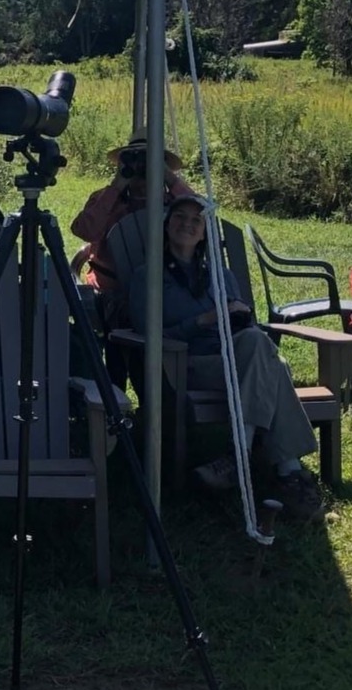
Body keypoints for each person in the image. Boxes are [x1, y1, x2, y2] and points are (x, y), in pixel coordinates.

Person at [130, 195, 324, 519]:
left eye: (196, 220)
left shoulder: (221, 275)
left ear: (205, 233)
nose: (187, 225)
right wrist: (203, 320)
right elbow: (149, 336)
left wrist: (239, 315)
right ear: (166, 225)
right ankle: (289, 473)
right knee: (270, 362)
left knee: (256, 345)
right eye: (180, 217)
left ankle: (238, 459)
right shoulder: (146, 277)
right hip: (185, 363)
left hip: (234, 360)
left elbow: (243, 325)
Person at [71, 135, 197, 325]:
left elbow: (203, 215)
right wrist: (118, 184)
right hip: (111, 292)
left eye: (148, 161)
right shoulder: (106, 200)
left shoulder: (175, 204)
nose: (142, 170)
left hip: (167, 290)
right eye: (135, 161)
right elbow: (86, 231)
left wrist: (169, 178)